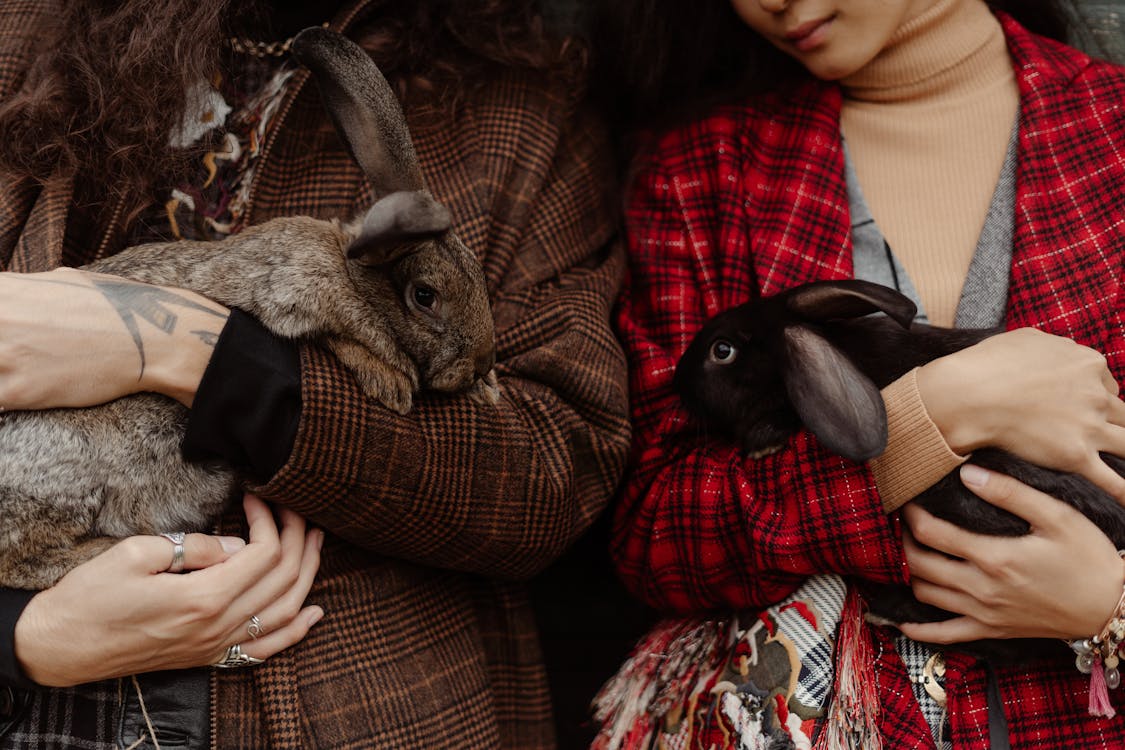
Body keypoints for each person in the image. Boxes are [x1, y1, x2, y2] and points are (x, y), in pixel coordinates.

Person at [0, 0, 630, 747]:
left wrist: (211, 362)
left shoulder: (520, 103)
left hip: (342, 708)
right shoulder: (25, 31)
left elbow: (551, 479)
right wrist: (18, 635)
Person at [597, 0, 1125, 747]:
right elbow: (655, 535)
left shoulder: (1110, 133)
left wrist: (1109, 607)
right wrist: (924, 423)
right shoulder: (700, 173)